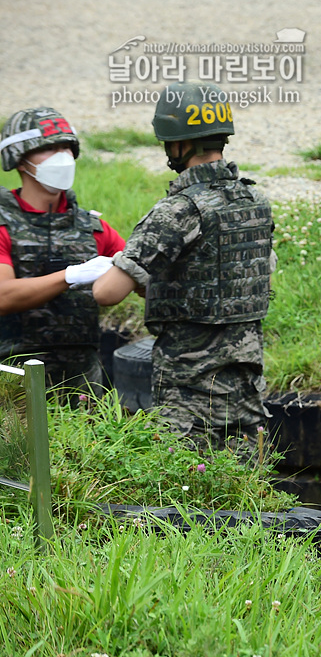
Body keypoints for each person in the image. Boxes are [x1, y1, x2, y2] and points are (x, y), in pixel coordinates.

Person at [93, 82, 274, 456]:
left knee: (189, 505)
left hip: (190, 397)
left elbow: (106, 293)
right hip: (245, 388)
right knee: (246, 499)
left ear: (178, 144)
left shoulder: (179, 210)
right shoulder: (255, 200)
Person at [0, 108, 125, 392]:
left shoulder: (94, 228)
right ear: (20, 159)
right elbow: (3, 296)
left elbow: (139, 273)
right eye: (50, 148)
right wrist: (70, 276)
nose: (63, 156)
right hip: (13, 382)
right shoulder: (3, 224)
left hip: (83, 386)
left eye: (67, 147)